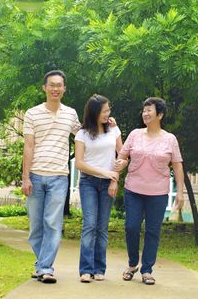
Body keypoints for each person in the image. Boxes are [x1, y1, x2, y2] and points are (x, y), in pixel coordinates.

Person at [22, 70, 82, 284]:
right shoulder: (32, 113)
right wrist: (25, 177)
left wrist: (105, 125)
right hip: (36, 176)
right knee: (36, 227)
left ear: (64, 89)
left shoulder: (71, 114)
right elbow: (28, 146)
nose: (56, 88)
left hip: (59, 177)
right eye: (52, 85)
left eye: (59, 85)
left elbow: (84, 135)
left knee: (53, 224)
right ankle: (41, 265)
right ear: (44, 88)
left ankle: (46, 268)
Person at [117, 97, 185, 285]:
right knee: (131, 227)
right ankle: (132, 264)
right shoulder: (135, 134)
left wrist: (180, 192)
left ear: (160, 114)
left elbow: (178, 166)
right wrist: (121, 164)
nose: (145, 113)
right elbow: (122, 156)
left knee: (153, 231)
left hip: (158, 193)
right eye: (144, 110)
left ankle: (147, 270)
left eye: (149, 110)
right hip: (133, 189)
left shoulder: (170, 139)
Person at [74, 95, 123, 283]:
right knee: (90, 225)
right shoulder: (82, 134)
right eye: (104, 111)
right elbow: (79, 163)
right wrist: (105, 172)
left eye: (108, 110)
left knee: (102, 227)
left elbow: (123, 156)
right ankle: (86, 270)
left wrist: (114, 179)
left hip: (108, 183)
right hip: (88, 182)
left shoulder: (114, 130)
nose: (107, 114)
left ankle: (99, 268)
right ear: (94, 112)